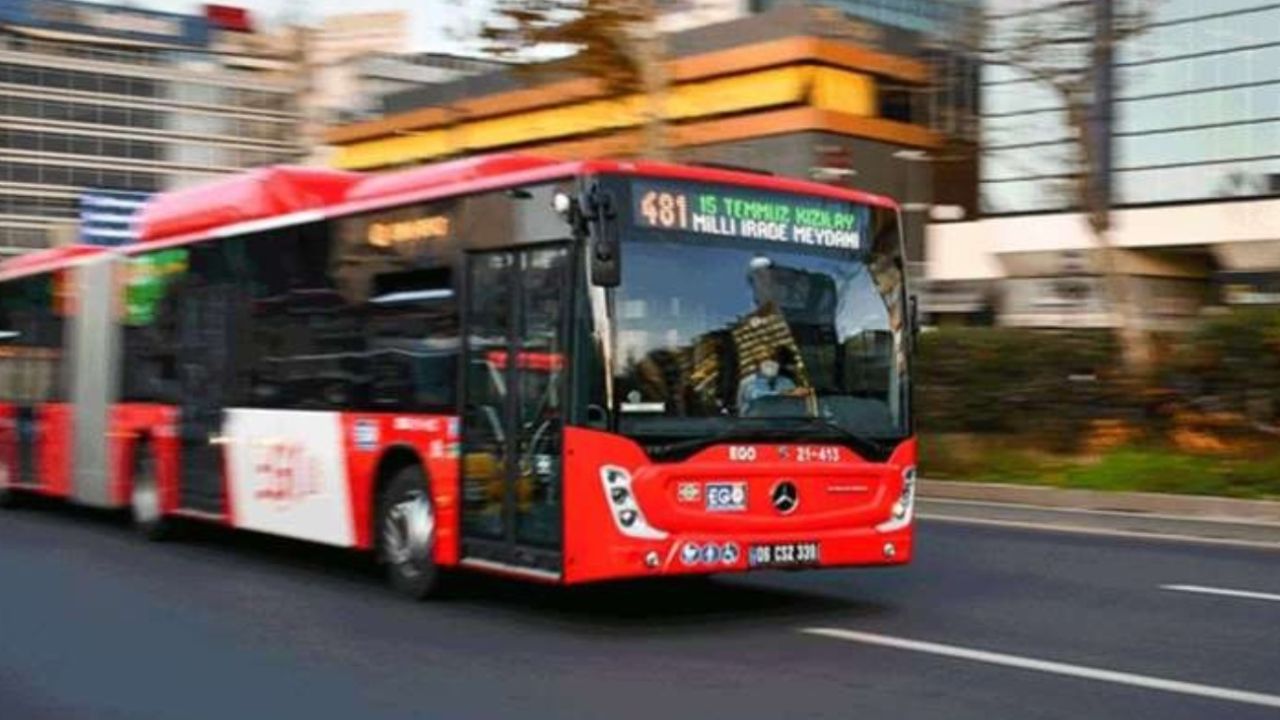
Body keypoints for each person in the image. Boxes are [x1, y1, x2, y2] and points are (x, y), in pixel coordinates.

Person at [737, 354, 807, 415]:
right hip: (755, 425)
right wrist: (787, 394)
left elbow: (795, 403)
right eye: (764, 360)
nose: (769, 363)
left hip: (786, 424)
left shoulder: (786, 382)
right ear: (756, 364)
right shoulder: (747, 382)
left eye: (772, 359)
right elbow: (758, 396)